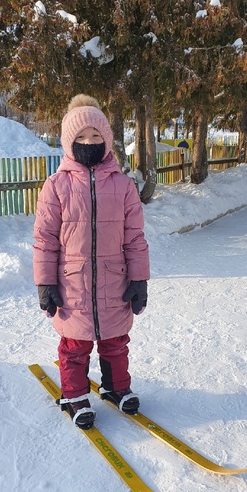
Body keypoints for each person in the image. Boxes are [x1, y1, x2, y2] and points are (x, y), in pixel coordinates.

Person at [33, 94, 149, 430]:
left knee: (115, 341)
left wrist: (139, 279)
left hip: (115, 280)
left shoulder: (124, 186)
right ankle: (74, 395)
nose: (89, 142)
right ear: (69, 141)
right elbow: (44, 239)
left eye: (97, 136)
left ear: (108, 140)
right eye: (81, 137)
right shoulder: (56, 186)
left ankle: (116, 387)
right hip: (72, 283)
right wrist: (45, 283)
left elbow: (135, 238)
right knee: (74, 344)